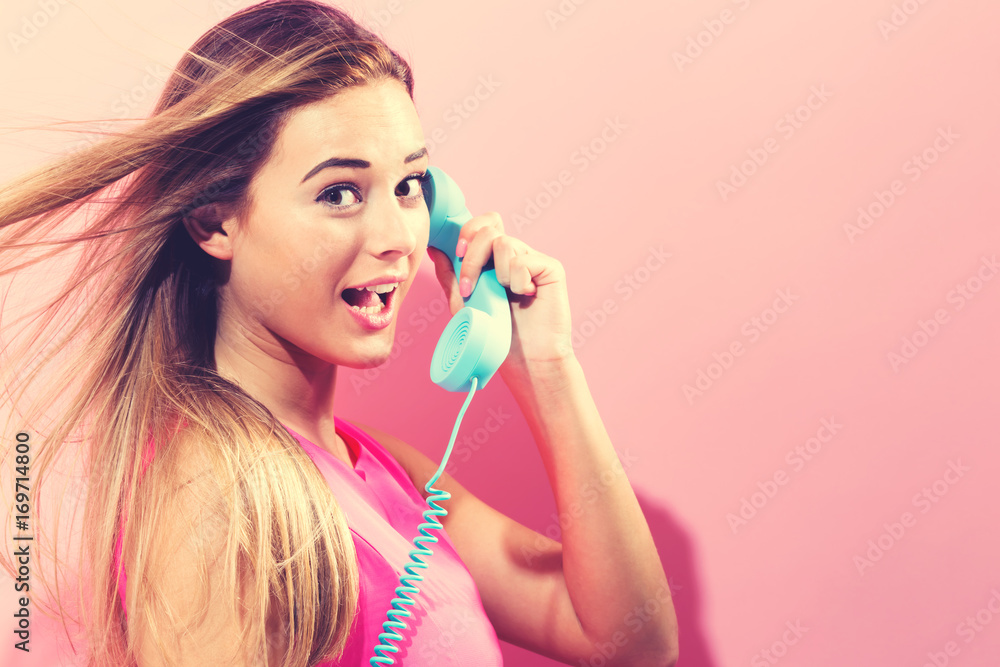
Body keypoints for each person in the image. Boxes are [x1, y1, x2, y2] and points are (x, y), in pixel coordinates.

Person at [0, 1, 678, 665]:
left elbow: (631, 638)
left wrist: (546, 365)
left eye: (409, 185)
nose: (398, 239)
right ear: (214, 221)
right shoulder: (209, 491)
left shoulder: (381, 467)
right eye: (339, 193)